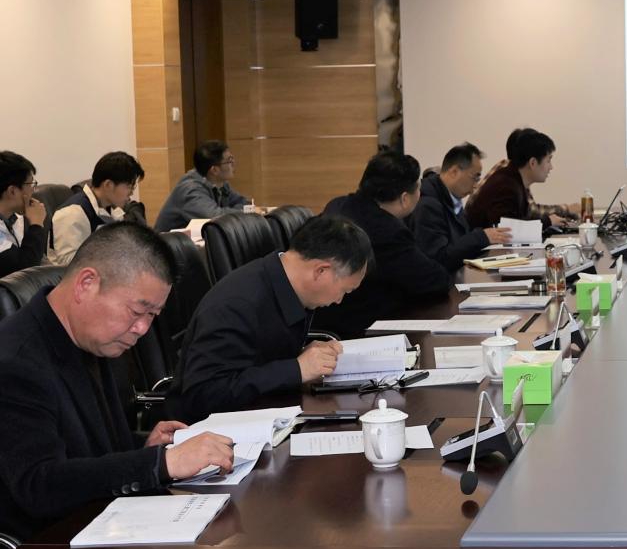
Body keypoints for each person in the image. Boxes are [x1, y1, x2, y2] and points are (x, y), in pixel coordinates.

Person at [0, 223, 235, 543]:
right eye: (138, 311)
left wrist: (143, 446)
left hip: (104, 523)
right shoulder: (15, 362)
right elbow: (39, 486)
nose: (142, 329)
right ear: (86, 284)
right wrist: (162, 463)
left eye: (153, 315)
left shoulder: (93, 336)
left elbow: (89, 449)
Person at [168, 215, 372, 423]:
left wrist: (304, 357)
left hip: (266, 415)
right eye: (344, 291)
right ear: (321, 271)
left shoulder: (285, 285)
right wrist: (296, 369)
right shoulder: (237, 304)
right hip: (213, 431)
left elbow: (259, 360)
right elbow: (204, 395)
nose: (339, 300)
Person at [313, 150, 451, 339]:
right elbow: (435, 281)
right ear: (404, 198)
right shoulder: (387, 231)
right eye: (418, 188)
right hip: (355, 332)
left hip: (320, 320)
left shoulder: (338, 204)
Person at [411, 143, 511, 271]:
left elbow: (459, 246)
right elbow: (439, 259)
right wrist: (481, 237)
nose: (476, 185)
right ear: (454, 172)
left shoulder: (451, 199)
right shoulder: (428, 205)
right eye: (475, 177)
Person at [464, 128, 575, 231]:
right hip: (480, 246)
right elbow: (506, 231)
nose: (551, 167)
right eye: (548, 160)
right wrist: (548, 221)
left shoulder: (514, 179)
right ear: (533, 163)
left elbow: (523, 219)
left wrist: (549, 222)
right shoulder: (506, 185)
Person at [49, 151, 144, 265]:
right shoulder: (72, 213)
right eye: (129, 187)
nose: (131, 193)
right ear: (108, 185)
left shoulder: (110, 209)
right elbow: (69, 263)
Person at [154, 140, 261, 232]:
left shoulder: (220, 182)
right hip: (170, 246)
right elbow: (216, 217)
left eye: (232, 158)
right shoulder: (190, 189)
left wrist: (245, 210)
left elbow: (243, 203)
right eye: (229, 161)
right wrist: (247, 212)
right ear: (214, 170)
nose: (234, 163)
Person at [0, 151, 48, 277]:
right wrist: (36, 225)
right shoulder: (32, 221)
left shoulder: (18, 218)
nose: (33, 190)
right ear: (12, 191)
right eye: (30, 184)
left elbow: (40, 260)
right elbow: (24, 272)